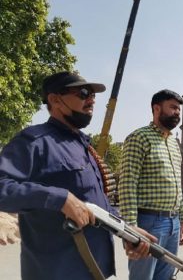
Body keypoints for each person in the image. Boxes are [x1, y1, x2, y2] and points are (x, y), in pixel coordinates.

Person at [0, 71, 153, 280]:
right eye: (82, 93)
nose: (91, 100)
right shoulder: (34, 142)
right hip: (56, 271)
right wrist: (59, 198)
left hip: (97, 269)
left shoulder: (84, 145)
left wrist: (126, 230)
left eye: (92, 95)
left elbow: (96, 203)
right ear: (55, 100)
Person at [119, 89, 183, 280]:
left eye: (179, 109)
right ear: (156, 109)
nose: (177, 113)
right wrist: (131, 225)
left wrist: (182, 219)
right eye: (173, 107)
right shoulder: (139, 138)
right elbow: (127, 184)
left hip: (173, 223)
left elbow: (177, 184)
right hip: (148, 223)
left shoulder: (174, 145)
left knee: (165, 277)